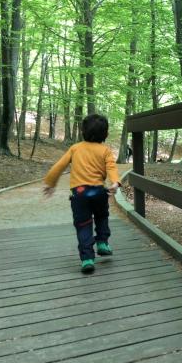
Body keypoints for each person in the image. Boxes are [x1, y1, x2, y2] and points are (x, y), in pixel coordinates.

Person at [43, 114, 121, 273]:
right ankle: (102, 242)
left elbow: (59, 166)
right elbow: (111, 168)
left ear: (83, 131)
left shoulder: (75, 148)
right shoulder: (105, 150)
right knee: (102, 216)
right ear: (105, 134)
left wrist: (51, 183)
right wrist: (115, 182)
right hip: (99, 191)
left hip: (79, 194)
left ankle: (87, 259)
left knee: (83, 225)